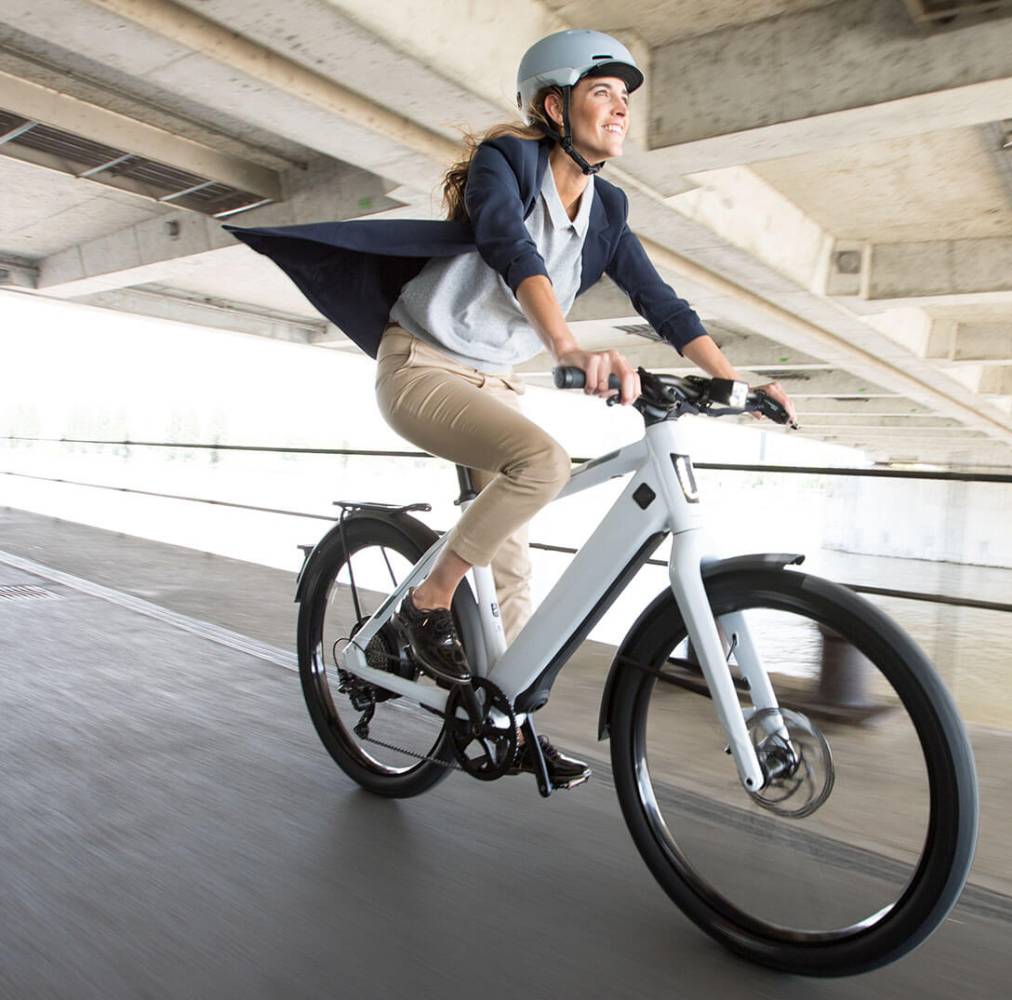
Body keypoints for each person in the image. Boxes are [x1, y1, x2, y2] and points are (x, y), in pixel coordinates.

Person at [229, 29, 796, 787]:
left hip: (493, 383)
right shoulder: (509, 162)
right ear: (554, 106)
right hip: (422, 366)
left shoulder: (607, 208)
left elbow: (661, 302)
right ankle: (428, 602)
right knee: (543, 463)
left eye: (625, 99)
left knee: (514, 568)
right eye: (603, 93)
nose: (620, 110)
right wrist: (565, 346)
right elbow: (508, 246)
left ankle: (509, 721)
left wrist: (737, 383)